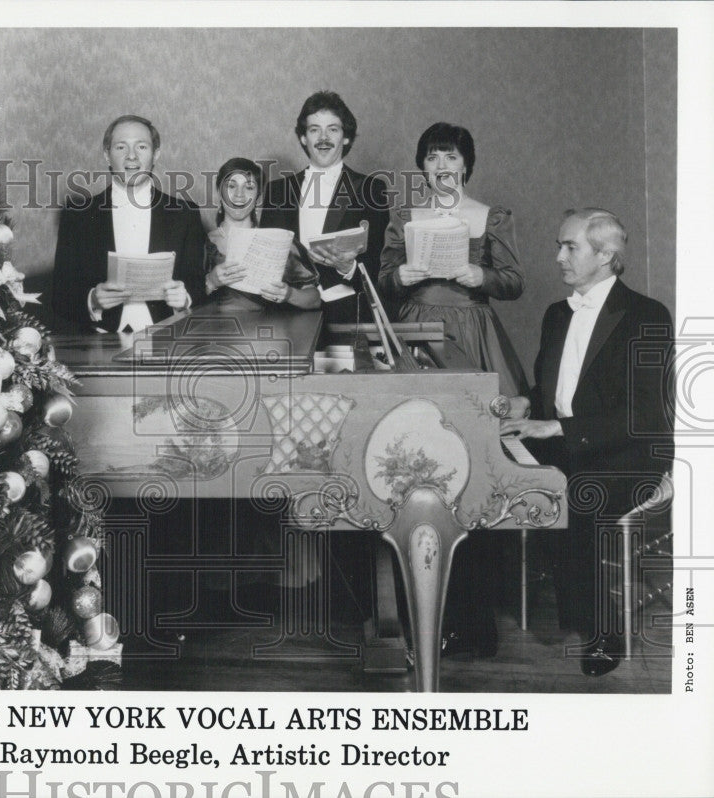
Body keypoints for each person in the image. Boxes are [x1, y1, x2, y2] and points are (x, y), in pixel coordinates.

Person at [501, 208, 673, 676]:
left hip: (628, 451)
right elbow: (553, 392)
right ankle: (470, 625)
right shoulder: (558, 313)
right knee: (486, 468)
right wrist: (523, 405)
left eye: (569, 247)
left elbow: (644, 414)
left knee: (582, 493)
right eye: (560, 245)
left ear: (605, 255)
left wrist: (556, 429)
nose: (558, 257)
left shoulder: (647, 315)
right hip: (567, 440)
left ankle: (603, 634)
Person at [378, 122, 529, 396]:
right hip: (416, 325)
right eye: (432, 157)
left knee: (475, 413)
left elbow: (515, 282)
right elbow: (384, 282)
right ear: (423, 167)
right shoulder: (405, 217)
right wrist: (399, 277)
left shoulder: (492, 217)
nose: (441, 166)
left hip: (473, 330)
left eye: (451, 157)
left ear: (465, 166)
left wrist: (483, 276)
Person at [50, 114, 206, 332]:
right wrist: (92, 300)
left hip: (166, 343)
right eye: (121, 147)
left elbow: (198, 285)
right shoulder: (77, 216)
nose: (131, 157)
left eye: (141, 147)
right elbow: (60, 295)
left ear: (156, 154)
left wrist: (185, 298)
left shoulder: (185, 214)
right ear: (107, 155)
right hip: (99, 345)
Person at [261, 91, 388, 325]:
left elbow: (380, 265)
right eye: (314, 130)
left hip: (347, 315)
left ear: (346, 138)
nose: (323, 138)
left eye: (333, 129)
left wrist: (348, 267)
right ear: (303, 138)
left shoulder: (371, 189)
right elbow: (267, 260)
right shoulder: (278, 191)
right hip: (289, 314)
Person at [203, 157, 320, 311]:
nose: (240, 194)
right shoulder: (201, 243)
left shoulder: (279, 241)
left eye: (249, 187)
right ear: (219, 192)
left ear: (258, 197)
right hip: (214, 332)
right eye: (231, 186)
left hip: (272, 332)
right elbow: (183, 301)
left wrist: (289, 294)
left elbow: (315, 299)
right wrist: (210, 282)